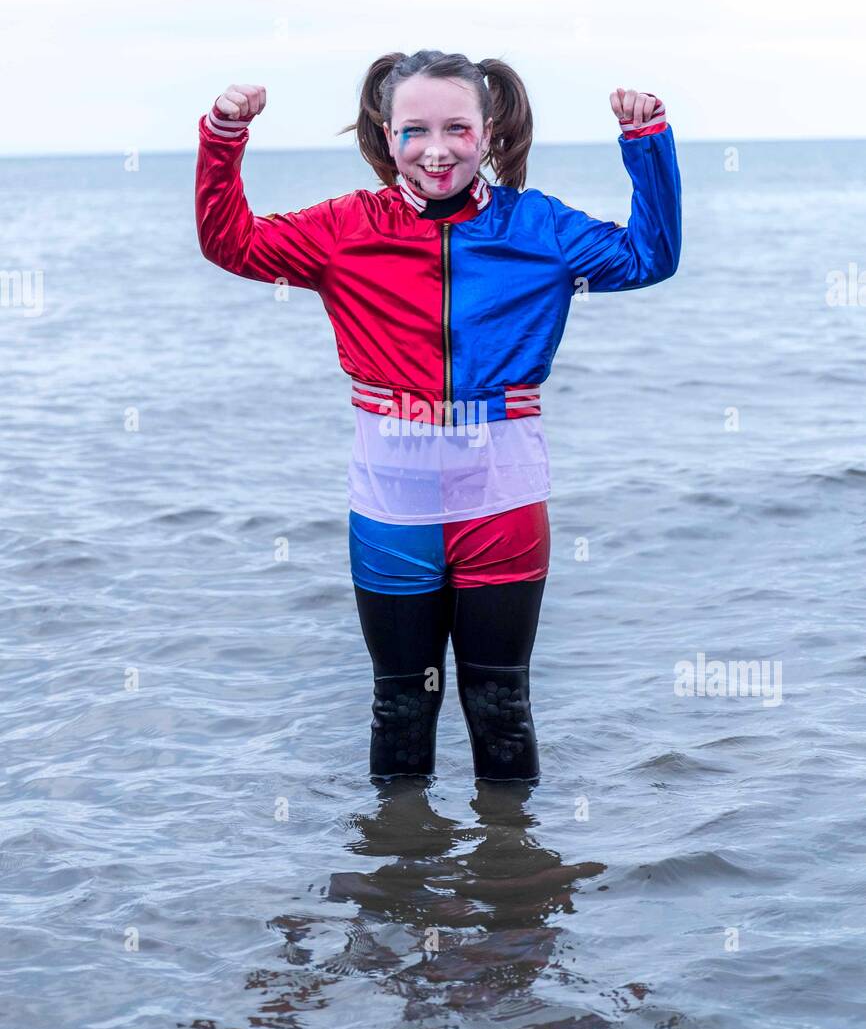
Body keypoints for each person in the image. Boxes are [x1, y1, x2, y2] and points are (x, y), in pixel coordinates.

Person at [195, 50, 682, 784]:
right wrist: (223, 138)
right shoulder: (345, 228)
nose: (437, 149)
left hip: (503, 497)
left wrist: (647, 146)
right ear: (387, 136)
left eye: (457, 127)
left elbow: (652, 254)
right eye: (415, 131)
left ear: (489, 133)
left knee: (501, 705)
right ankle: (398, 879)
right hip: (394, 502)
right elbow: (230, 242)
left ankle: (514, 881)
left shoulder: (539, 228)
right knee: (399, 706)